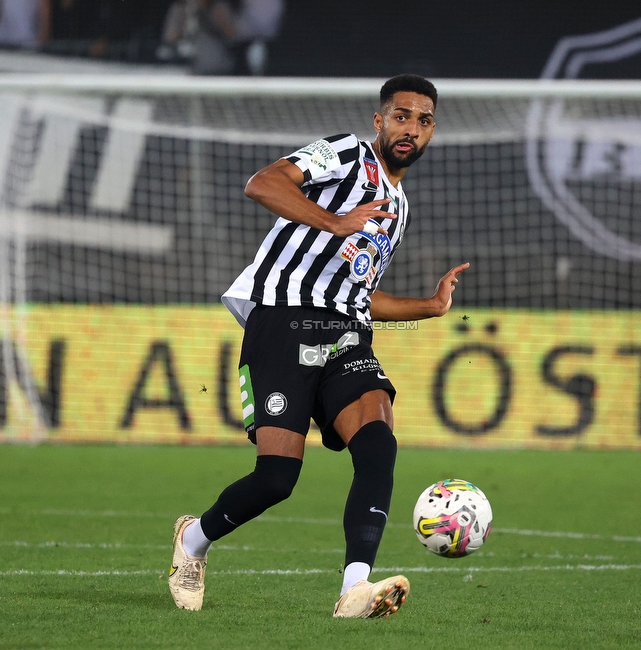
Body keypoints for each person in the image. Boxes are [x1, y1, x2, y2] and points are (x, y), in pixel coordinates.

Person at [168, 74, 470, 618]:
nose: (411, 129)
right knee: (276, 479)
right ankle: (192, 542)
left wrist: (427, 306)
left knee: (378, 444)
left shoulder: (398, 205)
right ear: (379, 120)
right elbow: (263, 183)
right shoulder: (345, 155)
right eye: (401, 116)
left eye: (423, 121)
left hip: (346, 334)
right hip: (282, 323)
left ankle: (356, 587)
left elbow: (358, 293)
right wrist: (335, 221)